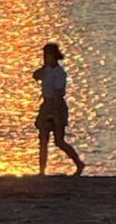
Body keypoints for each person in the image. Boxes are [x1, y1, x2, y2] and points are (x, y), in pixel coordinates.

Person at [33, 41, 85, 176]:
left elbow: (59, 93)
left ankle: (78, 163)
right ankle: (41, 171)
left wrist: (55, 113)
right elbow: (35, 76)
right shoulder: (47, 70)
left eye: (47, 55)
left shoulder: (59, 73)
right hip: (46, 104)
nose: (45, 58)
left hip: (56, 105)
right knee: (43, 138)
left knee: (59, 141)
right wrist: (42, 69)